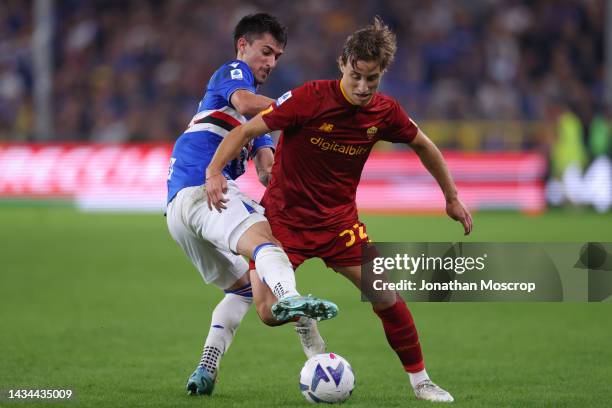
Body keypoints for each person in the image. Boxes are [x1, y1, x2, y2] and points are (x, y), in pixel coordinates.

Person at [205, 17, 473, 403]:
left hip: (339, 225)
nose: (363, 88)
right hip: (284, 224)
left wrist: (451, 196)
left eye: (372, 80)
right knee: (266, 312)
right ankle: (304, 317)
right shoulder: (309, 98)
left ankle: (422, 382)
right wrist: (214, 170)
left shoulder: (383, 111)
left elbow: (424, 144)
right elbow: (245, 130)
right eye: (356, 77)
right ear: (342, 63)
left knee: (386, 296)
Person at [165, 13, 337, 397]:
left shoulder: (260, 123)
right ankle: (298, 310)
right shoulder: (232, 73)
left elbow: (267, 173)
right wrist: (301, 111)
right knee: (270, 248)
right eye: (265, 51)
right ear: (243, 45)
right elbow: (244, 100)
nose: (271, 62)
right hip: (202, 189)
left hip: (180, 210)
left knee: (256, 298)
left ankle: (208, 364)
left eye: (277, 56)